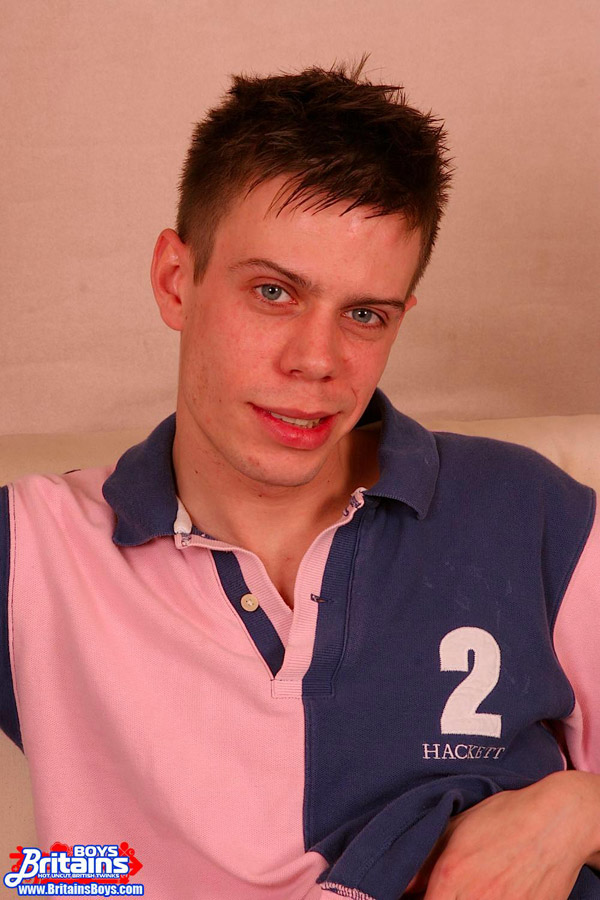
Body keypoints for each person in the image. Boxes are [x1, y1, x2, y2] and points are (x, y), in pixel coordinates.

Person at [1, 56, 599, 899]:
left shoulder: (530, 511)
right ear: (176, 281)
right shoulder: (32, 551)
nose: (317, 361)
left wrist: (578, 810)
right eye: (274, 293)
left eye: (364, 314)